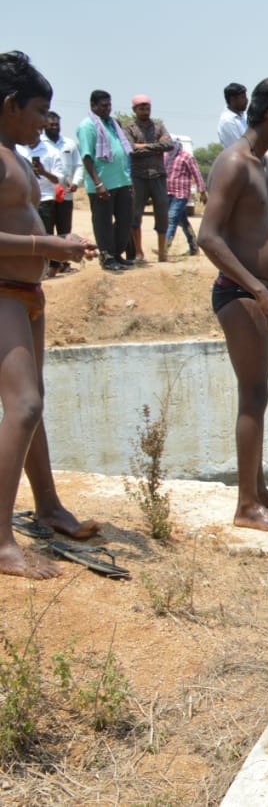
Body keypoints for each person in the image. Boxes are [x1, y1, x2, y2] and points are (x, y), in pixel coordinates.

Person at [0, 51, 100, 578]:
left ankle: (49, 507)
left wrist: (53, 247)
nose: (45, 121)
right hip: (3, 292)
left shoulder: (16, 153)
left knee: (32, 401)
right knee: (24, 407)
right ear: (11, 104)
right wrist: (48, 243)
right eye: (39, 110)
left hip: (25, 289)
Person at [197, 78, 268, 532]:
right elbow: (208, 236)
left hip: (264, 292)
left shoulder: (264, 164)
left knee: (260, 393)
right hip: (240, 292)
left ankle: (257, 488)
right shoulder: (234, 162)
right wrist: (257, 291)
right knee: (253, 395)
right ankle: (246, 506)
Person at [77, 90, 134, 270]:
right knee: (103, 224)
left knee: (125, 220)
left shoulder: (112, 124)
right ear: (93, 106)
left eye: (109, 105)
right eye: (103, 106)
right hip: (102, 185)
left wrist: (128, 180)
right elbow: (87, 157)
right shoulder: (87, 126)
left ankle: (117, 254)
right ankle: (107, 257)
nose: (107, 109)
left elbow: (122, 152)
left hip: (121, 181)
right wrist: (98, 183)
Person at [123, 94, 174, 262]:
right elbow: (130, 149)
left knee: (162, 213)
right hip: (138, 176)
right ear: (134, 110)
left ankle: (162, 253)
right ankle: (138, 252)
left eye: (147, 108)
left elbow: (169, 145)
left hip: (158, 175)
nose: (145, 111)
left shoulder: (159, 126)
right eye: (141, 108)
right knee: (135, 214)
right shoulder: (128, 128)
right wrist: (156, 147)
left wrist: (143, 146)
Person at [164, 139, 207, 256]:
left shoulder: (186, 157)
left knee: (171, 219)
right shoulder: (166, 156)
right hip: (167, 193)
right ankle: (193, 246)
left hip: (181, 194)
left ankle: (164, 247)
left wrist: (202, 192)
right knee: (182, 221)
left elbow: (196, 174)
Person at [218, 82, 248, 149]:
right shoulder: (227, 120)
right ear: (232, 99)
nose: (246, 100)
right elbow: (240, 147)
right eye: (243, 97)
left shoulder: (244, 116)